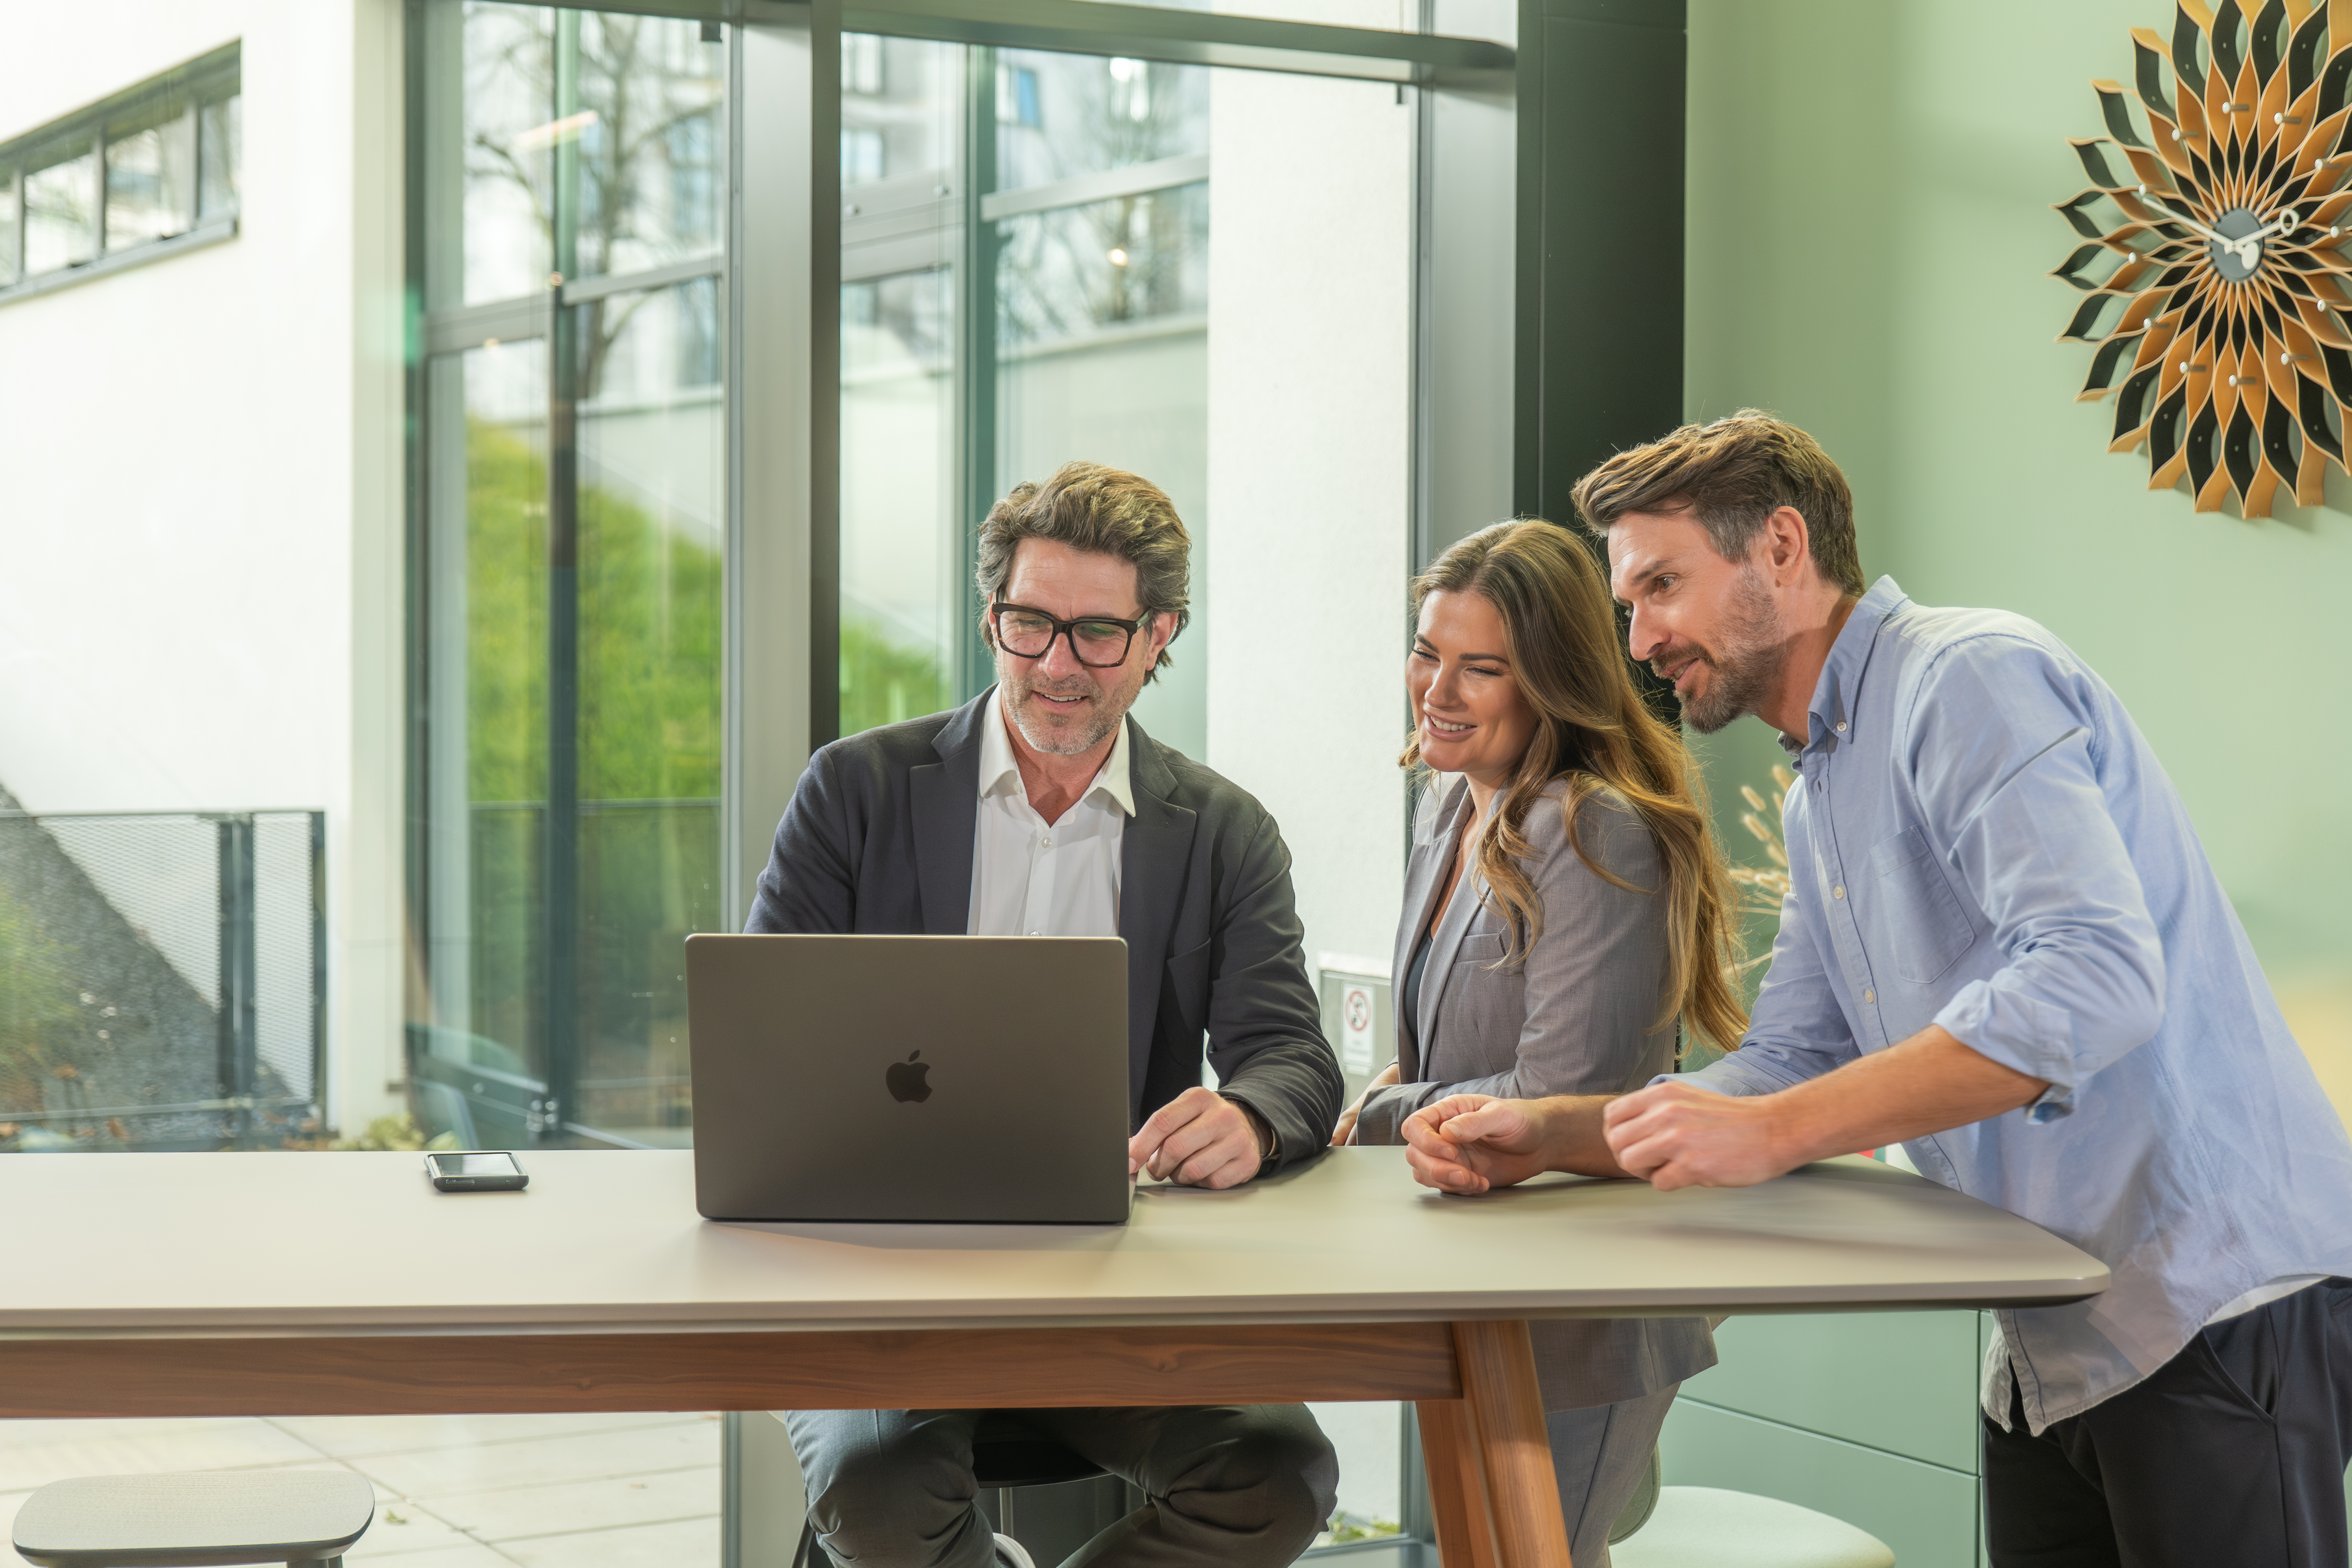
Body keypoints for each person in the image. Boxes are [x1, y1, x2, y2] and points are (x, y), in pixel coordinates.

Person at [1399, 411, 2352, 1568]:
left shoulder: (1968, 678)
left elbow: (2096, 979)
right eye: (1630, 602)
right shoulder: (1821, 790)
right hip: (2056, 1334)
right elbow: (1792, 1056)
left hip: (2207, 1301)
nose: (1642, 638)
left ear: (1783, 551)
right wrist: (1550, 1133)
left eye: (1664, 587)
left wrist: (1772, 1134)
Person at [748, 461, 1343, 1568]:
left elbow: (1292, 1058)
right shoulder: (855, 791)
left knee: (1280, 1473)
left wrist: (1253, 1118)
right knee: (880, 1493)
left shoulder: (1224, 832)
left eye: (1099, 634)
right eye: (1031, 625)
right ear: (992, 619)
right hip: (883, 1277)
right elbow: (765, 1051)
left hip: (1111, 1280)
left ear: (1160, 636)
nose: (1059, 666)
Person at [1330, 520, 1745, 1566]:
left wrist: (1366, 1115)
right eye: (1430, 652)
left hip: (1582, 1304)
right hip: (1478, 1282)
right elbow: (1438, 1039)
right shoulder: (1451, 803)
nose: (1438, 690)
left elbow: (1559, 1097)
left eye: (1484, 669)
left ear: (1552, 681)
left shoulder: (1593, 826)